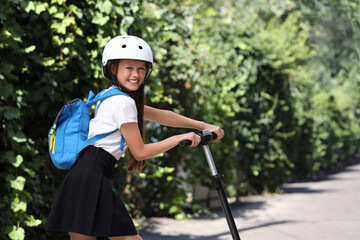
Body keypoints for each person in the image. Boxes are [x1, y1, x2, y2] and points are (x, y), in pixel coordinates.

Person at [45, 35, 224, 240]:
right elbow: (139, 152)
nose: (136, 74)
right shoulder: (123, 102)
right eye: (128, 68)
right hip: (91, 176)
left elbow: (161, 115)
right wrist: (178, 138)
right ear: (113, 69)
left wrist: (203, 126)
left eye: (141, 69)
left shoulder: (110, 95)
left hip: (82, 175)